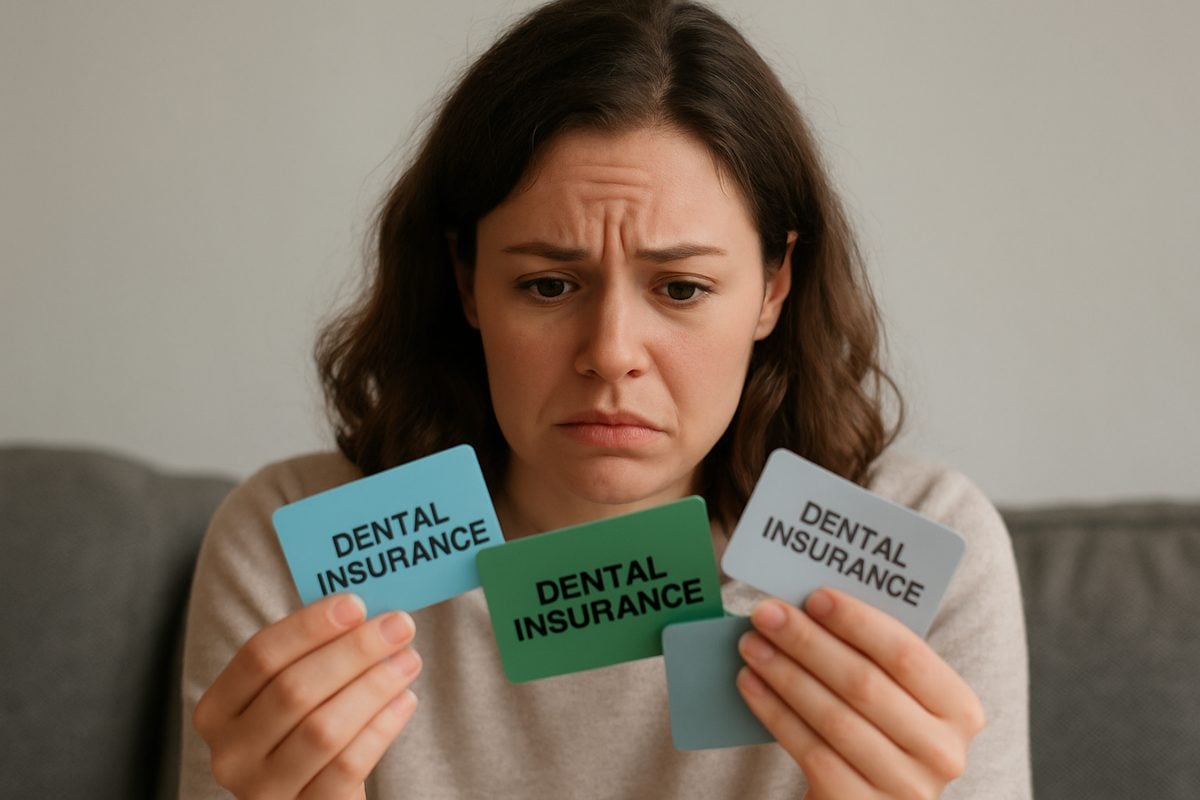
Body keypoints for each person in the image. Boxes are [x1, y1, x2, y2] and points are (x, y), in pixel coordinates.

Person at [180, 1, 1031, 797]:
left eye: (683, 288)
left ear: (774, 287)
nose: (612, 354)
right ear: (467, 282)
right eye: (548, 285)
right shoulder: (290, 545)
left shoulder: (925, 550)